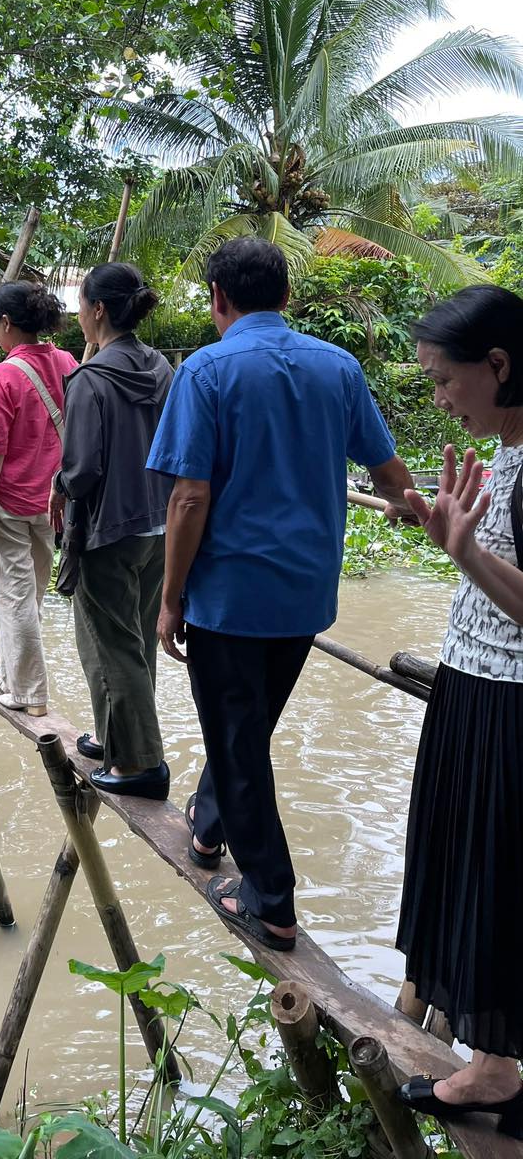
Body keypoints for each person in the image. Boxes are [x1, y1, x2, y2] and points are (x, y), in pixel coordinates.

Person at [148, 237, 416, 951]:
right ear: (287, 299)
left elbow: (188, 497)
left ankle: (270, 899)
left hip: (231, 597)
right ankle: (209, 830)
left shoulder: (205, 370)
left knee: (238, 738)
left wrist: (171, 597)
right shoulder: (338, 366)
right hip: (303, 592)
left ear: (217, 301)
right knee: (246, 729)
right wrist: (416, 505)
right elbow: (388, 470)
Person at [393, 286, 523, 1135]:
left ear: (499, 366)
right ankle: (495, 1066)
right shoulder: (506, 449)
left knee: (499, 883)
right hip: (475, 689)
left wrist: (466, 552)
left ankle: (493, 1070)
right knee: (478, 875)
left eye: (445, 380)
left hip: (510, 709)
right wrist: (454, 537)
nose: (438, 397)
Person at [49, 262, 174, 799]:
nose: (77, 315)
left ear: (98, 310)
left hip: (108, 529)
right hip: (161, 522)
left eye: (81, 305)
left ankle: (142, 764)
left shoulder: (90, 380)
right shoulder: (162, 368)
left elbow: (81, 470)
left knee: (113, 645)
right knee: (135, 637)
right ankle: (113, 737)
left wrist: (58, 485)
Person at [0, 282, 79, 717]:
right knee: (29, 592)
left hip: (11, 501)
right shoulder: (67, 362)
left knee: (13, 595)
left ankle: (30, 693)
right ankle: (12, 675)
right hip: (55, 500)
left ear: (6, 323)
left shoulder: (1, 376)